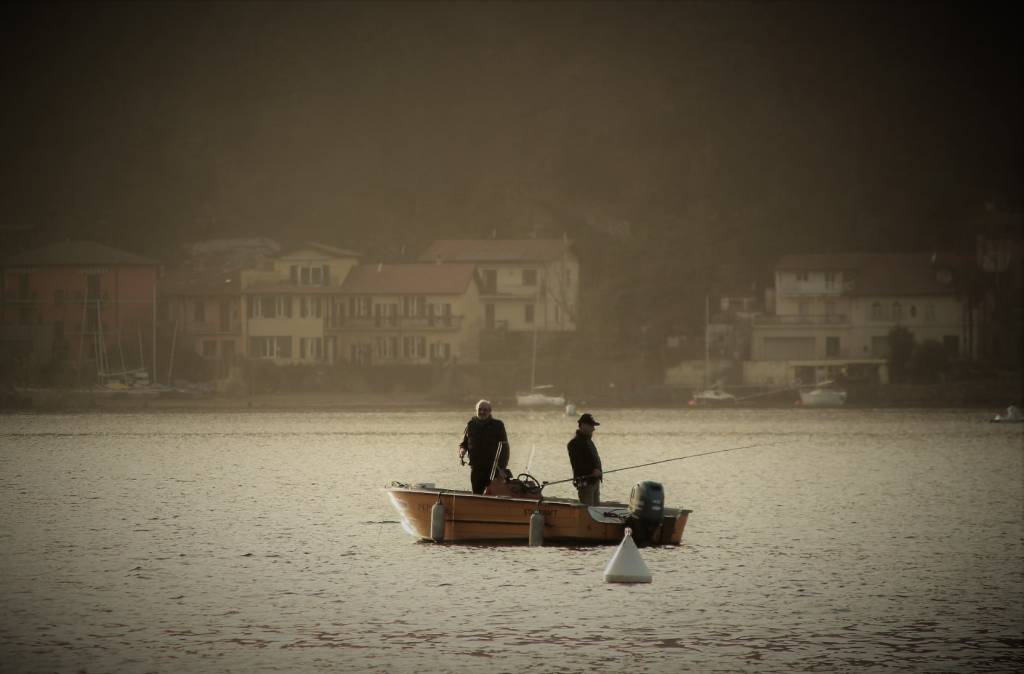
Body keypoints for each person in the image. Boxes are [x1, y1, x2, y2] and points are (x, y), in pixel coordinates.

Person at [459, 399, 510, 494]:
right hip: (476, 468)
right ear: (476, 410)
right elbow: (464, 444)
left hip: (494, 469)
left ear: (490, 411)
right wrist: (462, 451)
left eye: (485, 410)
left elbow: (505, 448)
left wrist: (502, 469)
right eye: (480, 409)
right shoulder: (471, 425)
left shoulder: (498, 425)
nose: (482, 412)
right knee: (476, 495)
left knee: (493, 495)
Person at [567, 412, 603, 506]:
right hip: (585, 484)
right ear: (583, 425)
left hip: (595, 482)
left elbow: (596, 460)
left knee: (596, 511)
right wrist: (593, 471)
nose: (594, 429)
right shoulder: (574, 443)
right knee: (588, 511)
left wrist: (599, 473)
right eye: (591, 426)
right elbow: (577, 465)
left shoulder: (589, 442)